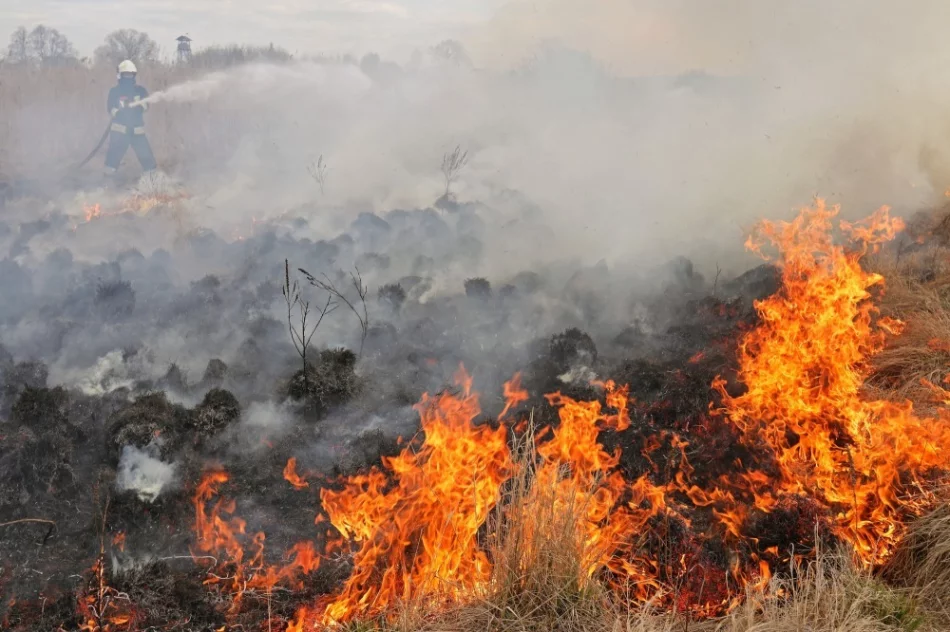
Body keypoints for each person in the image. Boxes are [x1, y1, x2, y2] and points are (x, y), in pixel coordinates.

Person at [104, 60, 157, 176]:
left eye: (130, 75)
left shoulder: (140, 90)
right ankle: (106, 185)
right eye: (125, 75)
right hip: (119, 132)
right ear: (120, 75)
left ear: (134, 75)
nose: (128, 77)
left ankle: (153, 183)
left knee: (147, 158)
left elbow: (146, 105)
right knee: (112, 160)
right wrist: (119, 112)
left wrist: (138, 107)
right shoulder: (115, 91)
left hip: (137, 131)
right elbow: (110, 108)